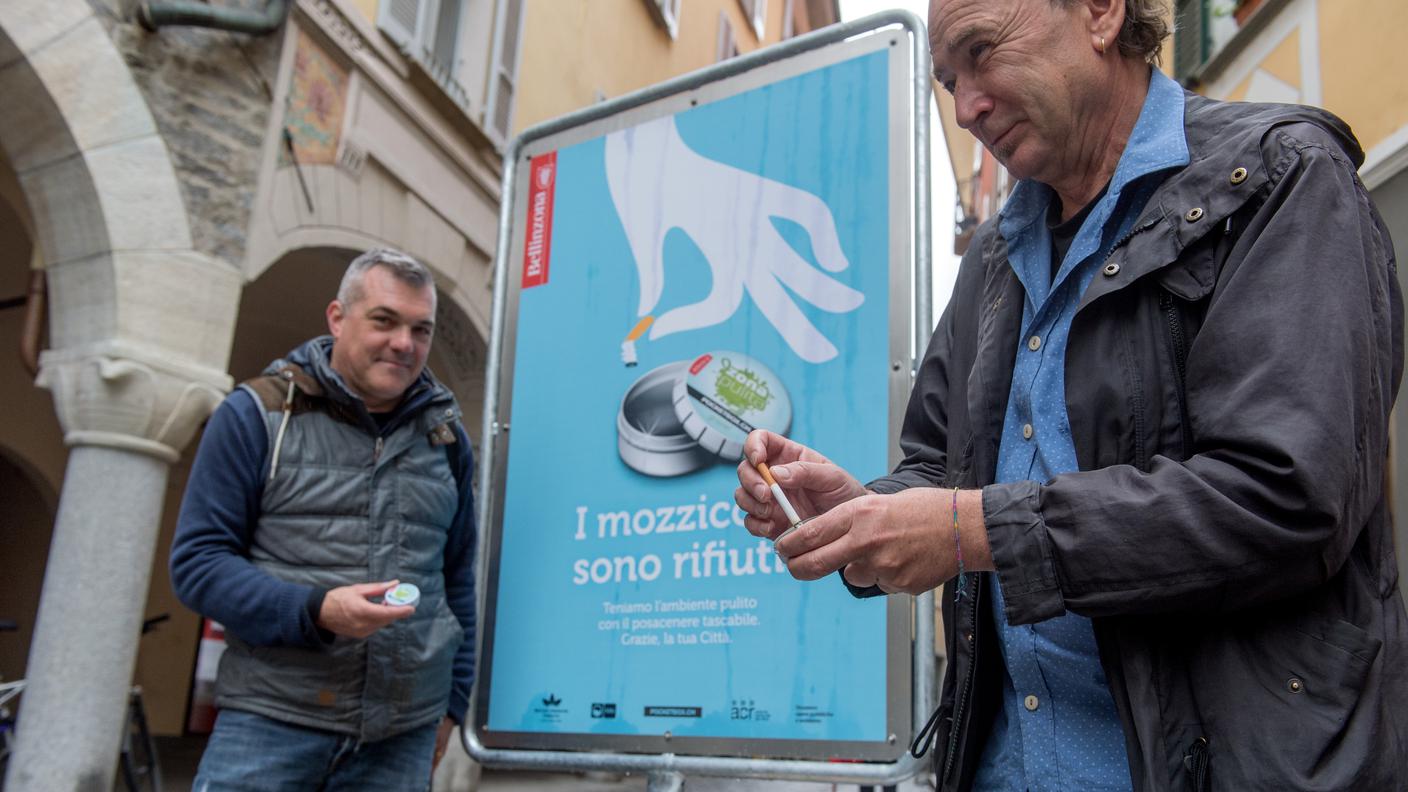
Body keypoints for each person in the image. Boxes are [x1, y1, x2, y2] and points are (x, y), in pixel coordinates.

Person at [735, 0, 1408, 790]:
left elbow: (1284, 497)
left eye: (983, 52)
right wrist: (860, 509)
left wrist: (972, 531)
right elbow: (941, 469)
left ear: (1098, 13)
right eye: (948, 81)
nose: (966, 107)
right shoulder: (993, 254)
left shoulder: (1278, 175)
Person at [171, 248, 477, 790]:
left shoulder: (448, 440)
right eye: (384, 320)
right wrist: (316, 610)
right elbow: (198, 564)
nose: (404, 344)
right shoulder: (257, 415)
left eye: (420, 329)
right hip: (272, 721)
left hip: (403, 736)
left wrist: (451, 707)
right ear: (338, 317)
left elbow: (456, 586)